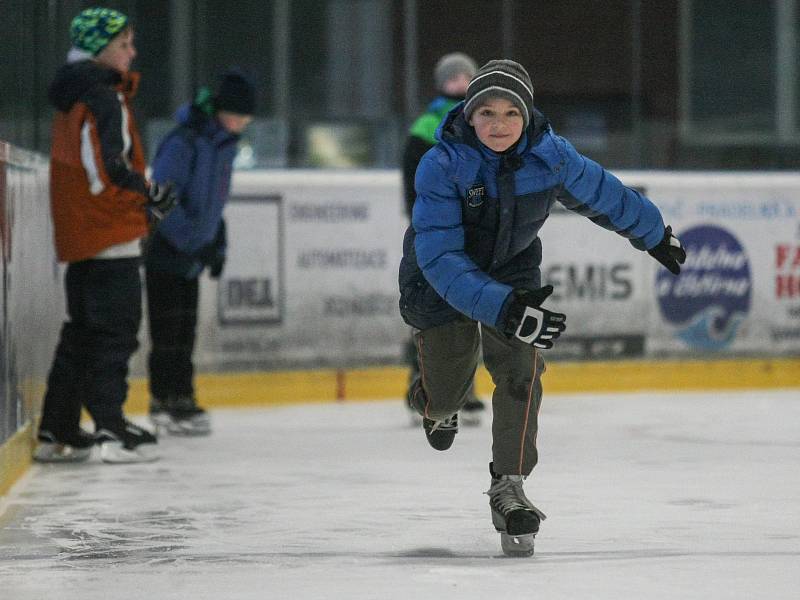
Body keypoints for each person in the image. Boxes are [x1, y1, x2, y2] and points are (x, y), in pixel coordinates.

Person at [398, 59, 686, 556]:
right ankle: (430, 402)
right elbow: (442, 258)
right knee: (447, 395)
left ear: (527, 117)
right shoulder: (442, 164)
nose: (499, 124)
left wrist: (654, 233)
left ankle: (509, 487)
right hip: (437, 283)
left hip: (512, 272)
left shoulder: (549, 157)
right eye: (486, 112)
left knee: (522, 370)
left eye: (511, 113)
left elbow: (604, 193)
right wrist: (505, 309)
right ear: (469, 115)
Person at [35, 7, 177, 464]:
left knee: (83, 334)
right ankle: (110, 428)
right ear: (99, 48)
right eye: (124, 44)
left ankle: (57, 428)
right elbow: (109, 172)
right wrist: (148, 195)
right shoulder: (101, 96)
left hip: (85, 234)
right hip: (107, 234)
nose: (132, 53)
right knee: (113, 334)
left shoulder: (76, 94)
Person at [144, 70, 255, 436]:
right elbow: (163, 198)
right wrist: (192, 238)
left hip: (191, 252)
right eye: (237, 115)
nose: (242, 123)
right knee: (167, 331)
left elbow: (214, 204)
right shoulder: (185, 143)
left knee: (185, 330)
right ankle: (163, 401)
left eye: (246, 118)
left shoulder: (223, 146)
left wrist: (216, 242)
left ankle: (182, 397)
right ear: (219, 111)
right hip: (167, 249)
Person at [401, 52, 487, 426]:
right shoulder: (426, 127)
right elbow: (412, 182)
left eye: (465, 76)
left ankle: (464, 390)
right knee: (430, 308)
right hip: (435, 231)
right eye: (452, 78)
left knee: (468, 308)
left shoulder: (484, 120)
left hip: (472, 231)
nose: (459, 83)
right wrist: (422, 225)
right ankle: (420, 381)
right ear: (440, 84)